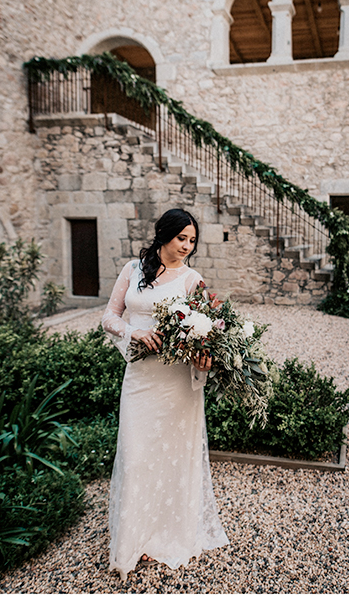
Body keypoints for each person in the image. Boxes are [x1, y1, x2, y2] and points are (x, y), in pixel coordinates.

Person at [102, 208, 229, 580]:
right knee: (136, 455)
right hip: (140, 379)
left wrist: (205, 362)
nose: (187, 247)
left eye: (192, 241)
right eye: (181, 239)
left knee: (173, 456)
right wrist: (132, 332)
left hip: (176, 384)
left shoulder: (192, 280)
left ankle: (165, 534)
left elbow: (207, 335)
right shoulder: (131, 270)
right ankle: (133, 537)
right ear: (162, 236)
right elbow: (109, 315)